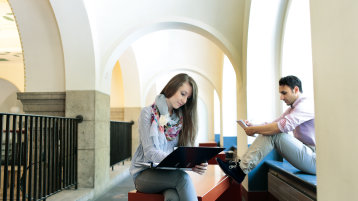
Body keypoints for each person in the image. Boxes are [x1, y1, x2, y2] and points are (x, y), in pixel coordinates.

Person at [217, 75, 315, 184]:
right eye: (280, 93)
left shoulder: (306, 105)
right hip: (306, 154)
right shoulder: (293, 108)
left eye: (284, 93)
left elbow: (282, 127)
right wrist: (253, 126)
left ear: (296, 90)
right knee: (270, 131)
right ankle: (240, 167)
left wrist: (255, 130)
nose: (281, 97)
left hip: (315, 160)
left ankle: (240, 170)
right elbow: (274, 123)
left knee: (275, 133)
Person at [130, 73, 208, 201]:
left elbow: (184, 151)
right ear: (172, 87)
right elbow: (150, 153)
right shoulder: (148, 113)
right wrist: (179, 160)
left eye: (188, 98)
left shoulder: (181, 120)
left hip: (168, 173)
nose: (184, 101)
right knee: (182, 178)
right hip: (144, 174)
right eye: (183, 94)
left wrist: (195, 163)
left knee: (173, 196)